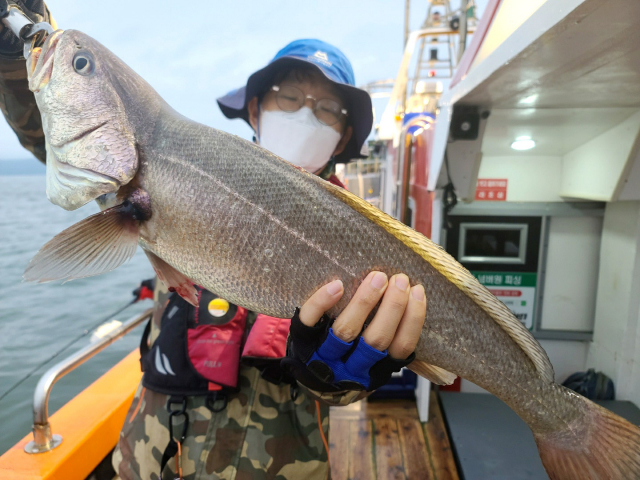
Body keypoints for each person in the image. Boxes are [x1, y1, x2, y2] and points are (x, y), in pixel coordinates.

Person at [0, 5, 427, 479]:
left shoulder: (368, 249)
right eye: (288, 97)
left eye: (327, 108)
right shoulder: (178, 167)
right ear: (255, 108)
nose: (306, 114)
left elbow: (342, 392)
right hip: (151, 459)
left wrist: (340, 372)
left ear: (344, 133)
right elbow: (69, 126)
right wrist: (11, 55)